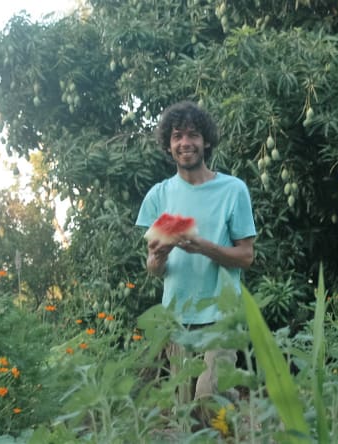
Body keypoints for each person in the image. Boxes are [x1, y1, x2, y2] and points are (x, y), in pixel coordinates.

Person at [135, 100, 256, 422]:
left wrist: (205, 247)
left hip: (222, 312)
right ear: (168, 145)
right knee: (187, 414)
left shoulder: (233, 190)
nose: (185, 143)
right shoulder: (158, 196)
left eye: (192, 135)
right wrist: (157, 257)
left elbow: (246, 256)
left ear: (206, 141)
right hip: (177, 316)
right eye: (177, 136)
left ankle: (230, 425)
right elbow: (153, 269)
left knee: (210, 395)